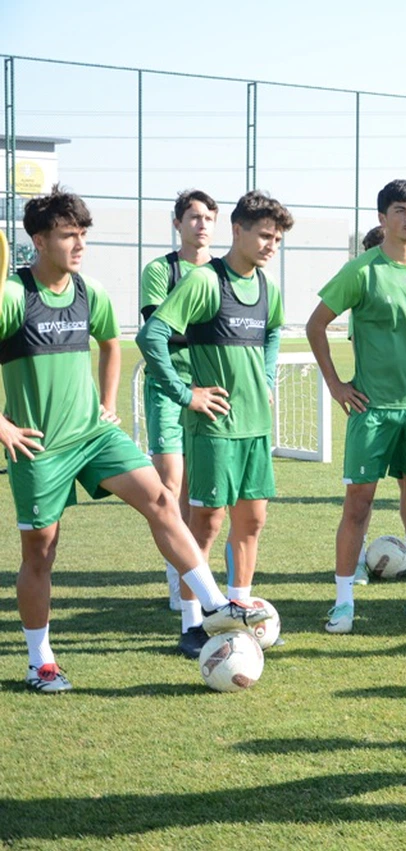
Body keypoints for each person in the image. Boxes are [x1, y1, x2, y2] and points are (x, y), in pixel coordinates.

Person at [5, 187, 265, 689]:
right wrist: (5, 427)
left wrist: (106, 404)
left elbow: (110, 344)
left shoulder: (90, 291)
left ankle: (212, 604)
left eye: (83, 234)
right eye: (67, 235)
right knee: (40, 553)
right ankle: (40, 660)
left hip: (94, 436)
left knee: (163, 500)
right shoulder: (15, 296)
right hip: (39, 447)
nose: (79, 244)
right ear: (38, 240)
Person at [138, 190, 291, 657]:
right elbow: (153, 335)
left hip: (256, 428)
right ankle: (193, 624)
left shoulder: (268, 287)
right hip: (215, 429)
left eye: (277, 239)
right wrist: (186, 395)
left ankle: (238, 611)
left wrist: (266, 376)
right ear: (238, 230)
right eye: (263, 235)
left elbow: (274, 331)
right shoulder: (206, 281)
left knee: (253, 521)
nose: (270, 245)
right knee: (205, 523)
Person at [306, 179, 406, 634]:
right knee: (358, 504)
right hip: (371, 410)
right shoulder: (363, 270)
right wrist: (335, 385)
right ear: (381, 218)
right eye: (399, 210)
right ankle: (343, 602)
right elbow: (317, 325)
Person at [139, 189, 217, 611]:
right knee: (170, 487)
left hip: (210, 390)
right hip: (170, 388)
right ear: (178, 224)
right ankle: (179, 580)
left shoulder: (223, 273)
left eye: (208, 217)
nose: (201, 224)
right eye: (193, 217)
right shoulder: (160, 270)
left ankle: (198, 574)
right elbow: (160, 329)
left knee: (202, 491)